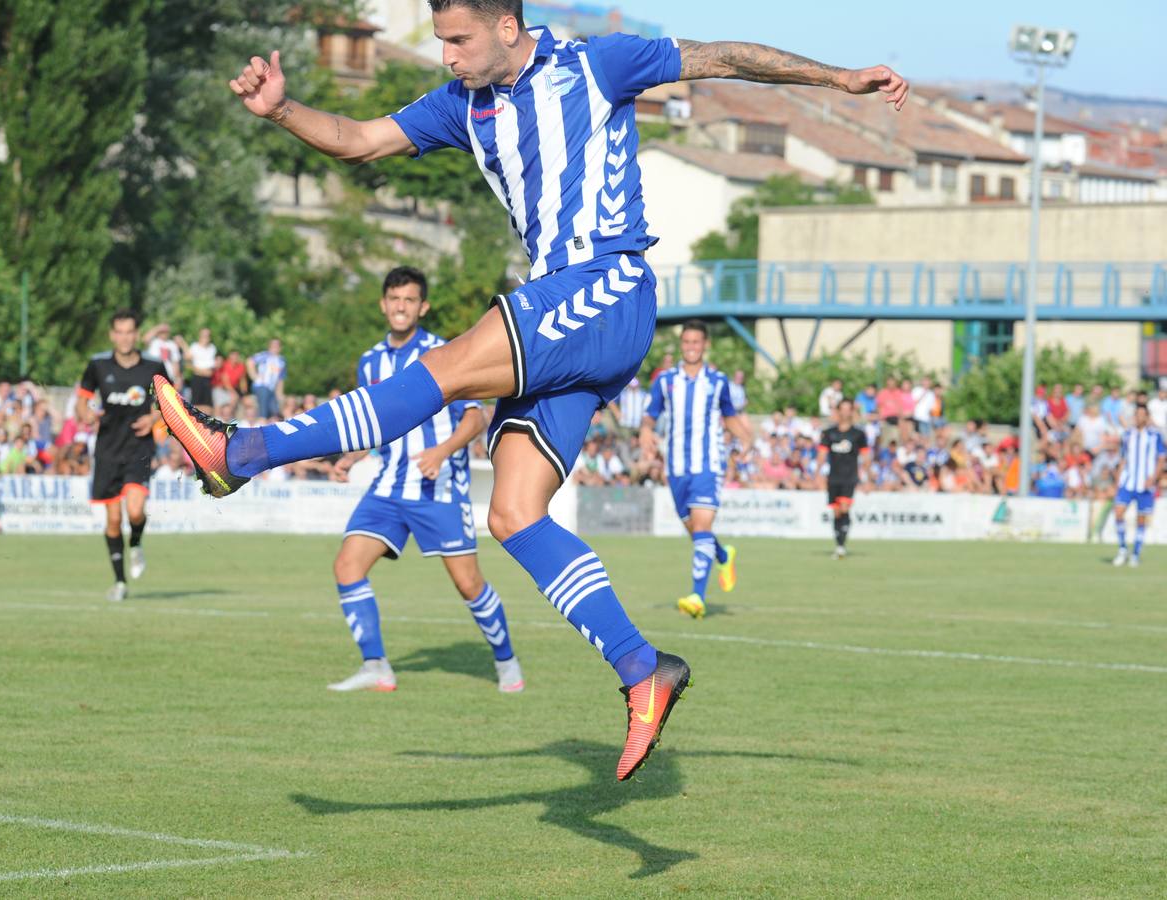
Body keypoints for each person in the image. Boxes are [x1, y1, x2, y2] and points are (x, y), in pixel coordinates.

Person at [154, 0, 907, 782]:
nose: (445, 55)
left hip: (605, 286)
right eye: (441, 39)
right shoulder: (461, 105)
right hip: (571, 318)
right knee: (512, 514)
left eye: (457, 39)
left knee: (443, 369)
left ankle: (243, 450)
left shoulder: (597, 63)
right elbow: (360, 140)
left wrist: (840, 78)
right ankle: (642, 667)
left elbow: (721, 57)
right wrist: (281, 112)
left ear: (506, 27)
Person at [325, 267, 525, 694]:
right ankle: (376, 665)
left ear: (423, 306)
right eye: (394, 299)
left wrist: (441, 451)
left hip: (440, 489)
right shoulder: (370, 361)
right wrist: (350, 457)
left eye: (409, 300)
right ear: (383, 304)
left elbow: (476, 417)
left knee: (468, 583)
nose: (401, 307)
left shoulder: (447, 352)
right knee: (347, 566)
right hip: (388, 488)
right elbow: (373, 427)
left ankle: (507, 661)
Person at [639, 320, 750, 618]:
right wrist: (645, 433)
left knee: (701, 527)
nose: (691, 347)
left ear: (705, 345)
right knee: (696, 532)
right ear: (682, 345)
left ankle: (697, 597)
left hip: (708, 463)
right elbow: (650, 416)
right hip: (676, 467)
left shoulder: (717, 381)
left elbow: (729, 416)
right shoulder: (665, 380)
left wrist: (747, 439)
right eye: (686, 342)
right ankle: (724, 555)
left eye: (696, 342)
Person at [76, 310, 170, 601]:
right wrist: (87, 416)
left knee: (134, 511)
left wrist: (153, 419)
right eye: (120, 331)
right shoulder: (98, 365)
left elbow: (169, 404)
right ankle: (119, 582)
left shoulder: (154, 367)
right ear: (112, 335)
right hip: (107, 451)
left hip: (138, 449)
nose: (125, 337)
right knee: (114, 520)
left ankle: (137, 543)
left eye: (130, 331)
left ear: (137, 334)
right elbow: (82, 402)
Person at [1111, 405, 1165, 568]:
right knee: (1118, 513)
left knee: (1141, 520)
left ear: (1147, 417)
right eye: (1137, 415)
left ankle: (1135, 553)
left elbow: (1161, 459)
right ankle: (1122, 549)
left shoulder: (1154, 436)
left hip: (1145, 484)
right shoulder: (1128, 435)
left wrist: (1153, 478)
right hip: (1127, 482)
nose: (1139, 418)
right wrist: (1117, 480)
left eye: (1142, 415)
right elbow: (1123, 458)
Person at [818, 399, 871, 558]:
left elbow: (866, 457)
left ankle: (841, 546)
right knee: (836, 512)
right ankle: (839, 544)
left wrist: (867, 479)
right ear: (839, 411)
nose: (846, 412)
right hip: (833, 478)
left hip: (850, 477)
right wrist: (817, 475)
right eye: (843, 409)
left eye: (849, 409)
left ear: (852, 411)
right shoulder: (829, 433)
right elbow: (821, 455)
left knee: (844, 507)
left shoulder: (858, 434)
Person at [247, 338, 287, 421]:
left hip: (271, 389)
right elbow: (249, 361)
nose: (275, 347)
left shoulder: (282, 360)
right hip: (261, 386)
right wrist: (254, 376)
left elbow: (280, 379)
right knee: (263, 409)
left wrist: (280, 394)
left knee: (275, 411)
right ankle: (262, 423)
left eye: (277, 345)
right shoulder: (264, 355)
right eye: (273, 345)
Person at [176, 328, 217, 408]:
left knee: (208, 405)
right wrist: (182, 343)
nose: (206, 338)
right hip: (198, 378)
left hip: (208, 380)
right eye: (204, 336)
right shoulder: (195, 347)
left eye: (207, 336)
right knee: (196, 404)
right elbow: (187, 358)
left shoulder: (212, 348)